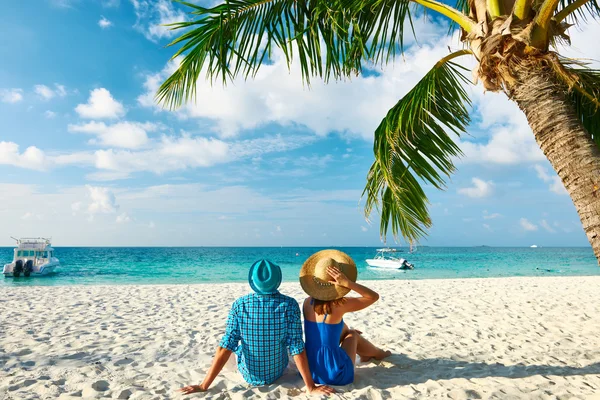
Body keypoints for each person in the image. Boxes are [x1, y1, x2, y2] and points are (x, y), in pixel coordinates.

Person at [178, 259, 334, 395]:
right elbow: (296, 346)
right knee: (286, 343)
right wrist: (310, 387)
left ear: (252, 281)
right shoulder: (289, 304)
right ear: (277, 280)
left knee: (231, 344)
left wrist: (203, 385)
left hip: (247, 375)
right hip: (277, 372)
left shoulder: (240, 305)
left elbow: (226, 347)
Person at [299, 250, 392, 386]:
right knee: (353, 335)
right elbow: (373, 297)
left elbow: (328, 330)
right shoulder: (339, 304)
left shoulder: (307, 303)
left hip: (311, 371)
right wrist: (348, 283)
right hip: (336, 374)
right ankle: (379, 354)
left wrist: (345, 331)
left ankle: (369, 353)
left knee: (346, 330)